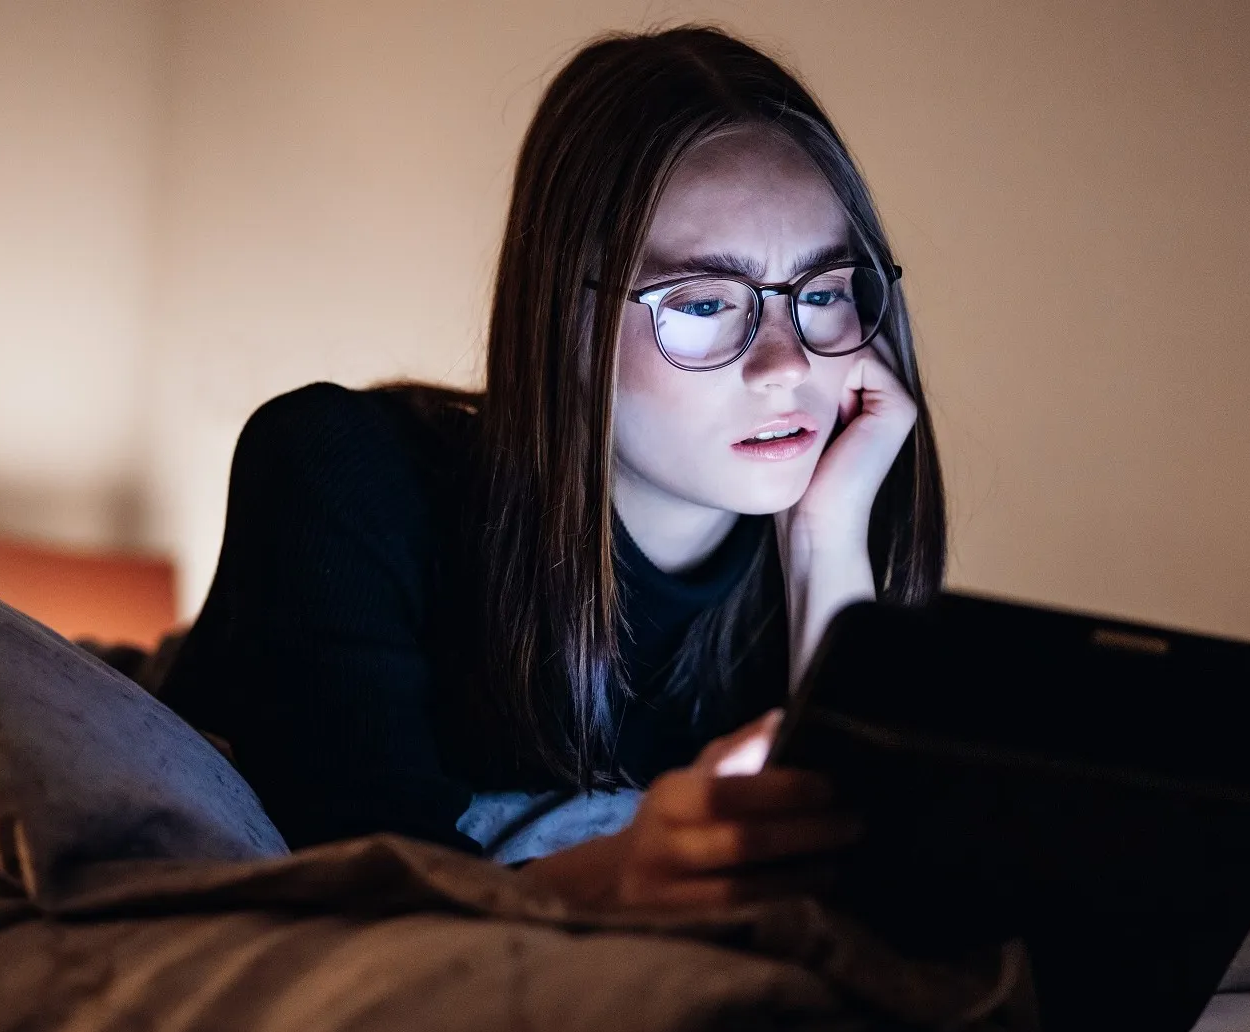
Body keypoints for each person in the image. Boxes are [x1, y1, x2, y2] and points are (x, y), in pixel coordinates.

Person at [158, 25, 946, 912]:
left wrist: (827, 550)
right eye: (701, 303)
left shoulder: (833, 528)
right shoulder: (340, 471)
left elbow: (866, 884)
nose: (787, 364)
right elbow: (364, 883)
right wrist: (616, 874)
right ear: (565, 319)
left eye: (825, 292)